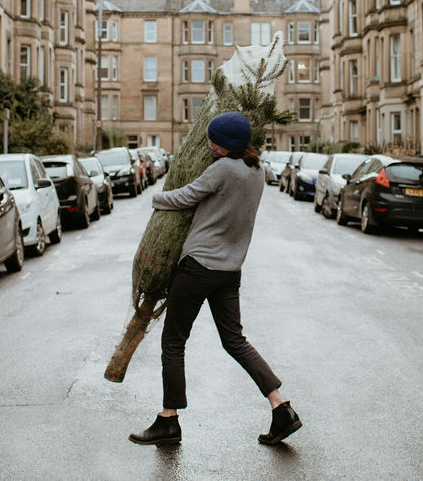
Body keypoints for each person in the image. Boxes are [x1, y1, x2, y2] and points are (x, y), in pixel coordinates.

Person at [129, 111, 301, 447]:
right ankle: (281, 407)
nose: (208, 144)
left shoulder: (222, 169)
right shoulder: (257, 171)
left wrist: (154, 197)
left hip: (198, 267)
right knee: (235, 341)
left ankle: (169, 420)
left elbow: (186, 197)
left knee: (173, 341)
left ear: (223, 146)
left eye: (212, 140)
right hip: (229, 271)